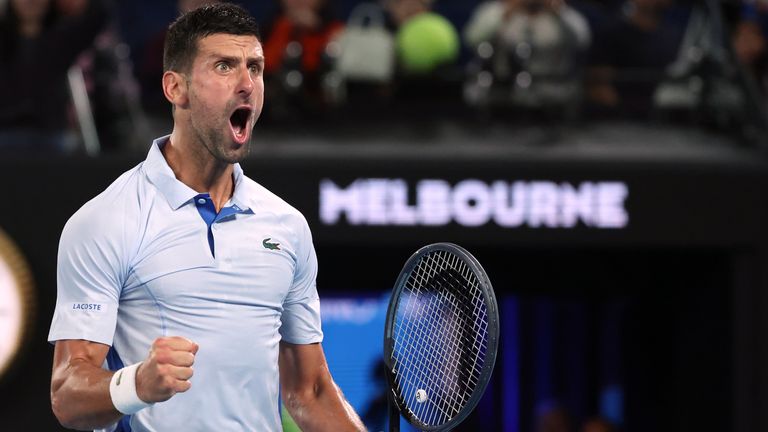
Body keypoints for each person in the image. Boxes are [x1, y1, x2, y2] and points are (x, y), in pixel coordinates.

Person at [48, 4, 366, 431]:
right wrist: (136, 384)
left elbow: (308, 392)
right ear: (175, 88)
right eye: (224, 66)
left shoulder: (287, 227)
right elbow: (67, 393)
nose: (247, 84)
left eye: (255, 67)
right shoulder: (105, 221)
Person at [0, 0, 108, 153]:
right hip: (5, 133)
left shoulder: (62, 37)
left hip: (50, 133)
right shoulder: (4, 39)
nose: (30, 2)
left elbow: (99, 15)